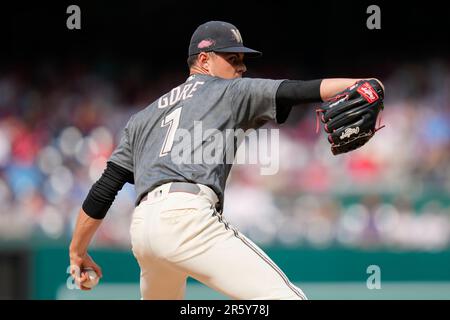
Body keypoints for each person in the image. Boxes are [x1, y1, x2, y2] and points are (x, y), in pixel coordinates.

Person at [69, 20, 384, 300]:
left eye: (242, 60)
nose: (241, 67)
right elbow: (299, 90)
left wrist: (77, 250)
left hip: (143, 230)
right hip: (187, 219)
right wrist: (367, 84)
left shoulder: (142, 117)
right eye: (232, 58)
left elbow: (103, 191)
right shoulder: (230, 91)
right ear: (204, 60)